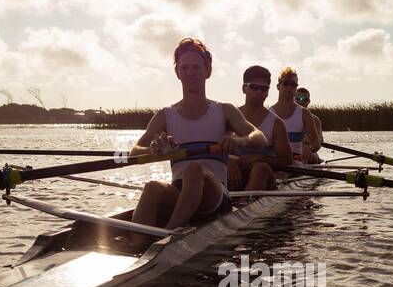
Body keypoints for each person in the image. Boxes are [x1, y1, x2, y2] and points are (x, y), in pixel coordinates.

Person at [129, 38, 266, 242]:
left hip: (215, 196)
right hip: (180, 192)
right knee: (152, 187)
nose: (190, 73)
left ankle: (167, 236)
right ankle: (136, 245)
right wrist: (154, 151)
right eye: (185, 68)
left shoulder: (224, 110)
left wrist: (241, 142)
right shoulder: (165, 115)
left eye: (196, 67)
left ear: (207, 71)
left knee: (194, 169)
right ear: (177, 73)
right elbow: (134, 152)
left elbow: (260, 138)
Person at [228, 65, 292, 192]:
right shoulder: (229, 117)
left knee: (260, 168)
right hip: (236, 171)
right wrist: (227, 161)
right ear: (244, 88)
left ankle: (244, 202)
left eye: (263, 89)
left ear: (267, 92)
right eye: (254, 87)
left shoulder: (277, 123)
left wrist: (258, 157)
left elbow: (287, 160)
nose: (259, 92)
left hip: (264, 175)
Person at [269, 67, 321, 166]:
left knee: (283, 172)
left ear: (296, 88)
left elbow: (316, 143)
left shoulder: (304, 114)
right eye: (285, 83)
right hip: (275, 158)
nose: (289, 87)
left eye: (293, 85)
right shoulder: (269, 113)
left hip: (297, 157)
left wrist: (309, 148)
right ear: (278, 86)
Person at [295, 85, 325, 164]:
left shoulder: (315, 120)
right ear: (293, 99)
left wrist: (309, 148)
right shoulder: (283, 117)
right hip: (291, 155)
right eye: (298, 98)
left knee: (310, 156)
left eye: (305, 99)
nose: (301, 101)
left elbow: (319, 142)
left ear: (308, 101)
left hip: (309, 154)